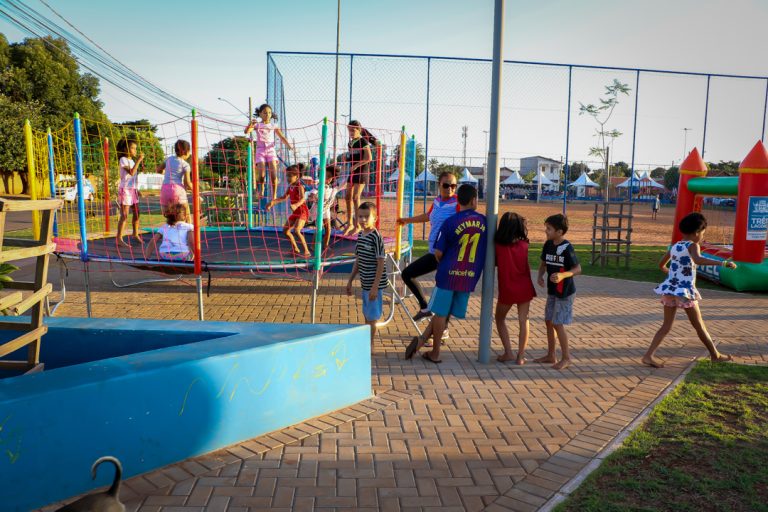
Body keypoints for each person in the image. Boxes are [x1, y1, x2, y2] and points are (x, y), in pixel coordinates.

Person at [405, 184, 487, 363]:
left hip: (448, 274)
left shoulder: (450, 222)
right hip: (468, 276)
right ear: (474, 200)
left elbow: (438, 252)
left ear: (459, 201)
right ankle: (421, 342)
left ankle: (435, 352)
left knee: (441, 313)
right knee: (444, 312)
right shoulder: (484, 221)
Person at [642, 212, 736, 368]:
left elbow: (661, 265)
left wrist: (671, 274)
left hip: (670, 289)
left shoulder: (675, 246)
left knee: (666, 326)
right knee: (699, 325)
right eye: (703, 233)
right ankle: (716, 355)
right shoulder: (693, 245)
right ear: (697, 232)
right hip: (684, 292)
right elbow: (698, 260)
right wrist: (723, 263)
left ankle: (648, 356)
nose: (702, 237)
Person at [396, 171, 459, 321]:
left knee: (443, 292)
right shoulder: (437, 201)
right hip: (434, 253)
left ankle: (442, 327)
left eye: (453, 186)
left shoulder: (457, 203)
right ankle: (425, 309)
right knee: (407, 274)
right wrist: (407, 220)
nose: (450, 188)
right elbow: (428, 216)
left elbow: (465, 220)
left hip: (447, 255)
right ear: (439, 185)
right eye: (446, 185)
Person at [535, 213, 581, 370]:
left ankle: (566, 358)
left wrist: (563, 275)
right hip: (552, 291)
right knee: (548, 321)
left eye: (549, 228)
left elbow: (578, 269)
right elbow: (543, 264)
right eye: (546, 228)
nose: (546, 231)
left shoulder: (567, 247)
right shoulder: (548, 244)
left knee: (557, 323)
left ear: (560, 232)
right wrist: (540, 276)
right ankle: (551, 355)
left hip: (565, 293)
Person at [494, 212, 536, 364]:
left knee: (500, 318)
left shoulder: (498, 246)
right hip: (524, 287)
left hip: (508, 288)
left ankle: (508, 352)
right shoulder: (525, 245)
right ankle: (521, 356)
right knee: (523, 320)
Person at [346, 202, 388, 349]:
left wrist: (375, 287)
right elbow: (358, 259)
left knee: (372, 317)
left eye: (366, 216)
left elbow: (381, 262)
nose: (363, 220)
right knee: (367, 314)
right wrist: (350, 280)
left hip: (374, 284)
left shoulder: (376, 237)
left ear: (375, 218)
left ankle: (370, 344)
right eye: (360, 216)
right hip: (365, 283)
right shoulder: (360, 235)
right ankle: (367, 342)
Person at [244, 103, 294, 201]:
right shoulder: (257, 125)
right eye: (265, 113)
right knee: (261, 174)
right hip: (260, 151)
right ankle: (261, 189)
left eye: (269, 113)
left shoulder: (273, 125)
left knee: (273, 175)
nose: (267, 115)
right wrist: (251, 124)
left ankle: (274, 195)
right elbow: (246, 131)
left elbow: (282, 137)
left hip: (271, 151)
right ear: (260, 114)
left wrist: (288, 145)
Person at [267, 163, 311, 257]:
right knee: (285, 230)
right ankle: (295, 249)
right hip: (295, 212)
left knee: (297, 230)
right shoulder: (290, 187)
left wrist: (296, 205)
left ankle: (306, 251)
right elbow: (284, 197)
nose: (288, 178)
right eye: (287, 176)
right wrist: (273, 202)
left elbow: (303, 199)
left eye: (290, 176)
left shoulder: (299, 186)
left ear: (297, 176)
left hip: (302, 212)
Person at [342, 120, 373, 236]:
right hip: (353, 172)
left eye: (353, 130)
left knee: (355, 197)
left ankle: (358, 225)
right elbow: (353, 157)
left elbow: (368, 158)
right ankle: (350, 223)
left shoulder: (363, 141)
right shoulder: (350, 143)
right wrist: (346, 159)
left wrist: (356, 165)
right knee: (347, 197)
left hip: (361, 172)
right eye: (349, 130)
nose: (350, 132)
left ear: (359, 130)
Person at [116, 138, 144, 246]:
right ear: (125, 149)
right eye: (133, 148)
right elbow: (131, 172)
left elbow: (134, 178)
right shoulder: (123, 159)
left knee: (137, 213)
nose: (135, 150)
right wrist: (139, 160)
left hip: (133, 190)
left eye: (135, 148)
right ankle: (119, 238)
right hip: (125, 190)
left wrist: (137, 189)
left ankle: (135, 234)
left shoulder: (132, 161)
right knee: (124, 215)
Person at [157, 139, 192, 218]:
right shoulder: (185, 165)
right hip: (177, 190)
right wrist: (197, 191)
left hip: (165, 190)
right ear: (186, 151)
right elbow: (188, 182)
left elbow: (158, 170)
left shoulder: (168, 159)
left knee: (170, 218)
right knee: (186, 216)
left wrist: (166, 172)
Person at [308, 164, 341, 247]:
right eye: (325, 176)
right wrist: (312, 196)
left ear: (333, 177)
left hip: (326, 209)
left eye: (329, 176)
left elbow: (344, 184)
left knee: (328, 228)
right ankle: (313, 245)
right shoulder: (320, 186)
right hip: (317, 209)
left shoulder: (333, 187)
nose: (326, 178)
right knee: (319, 228)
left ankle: (326, 245)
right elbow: (313, 192)